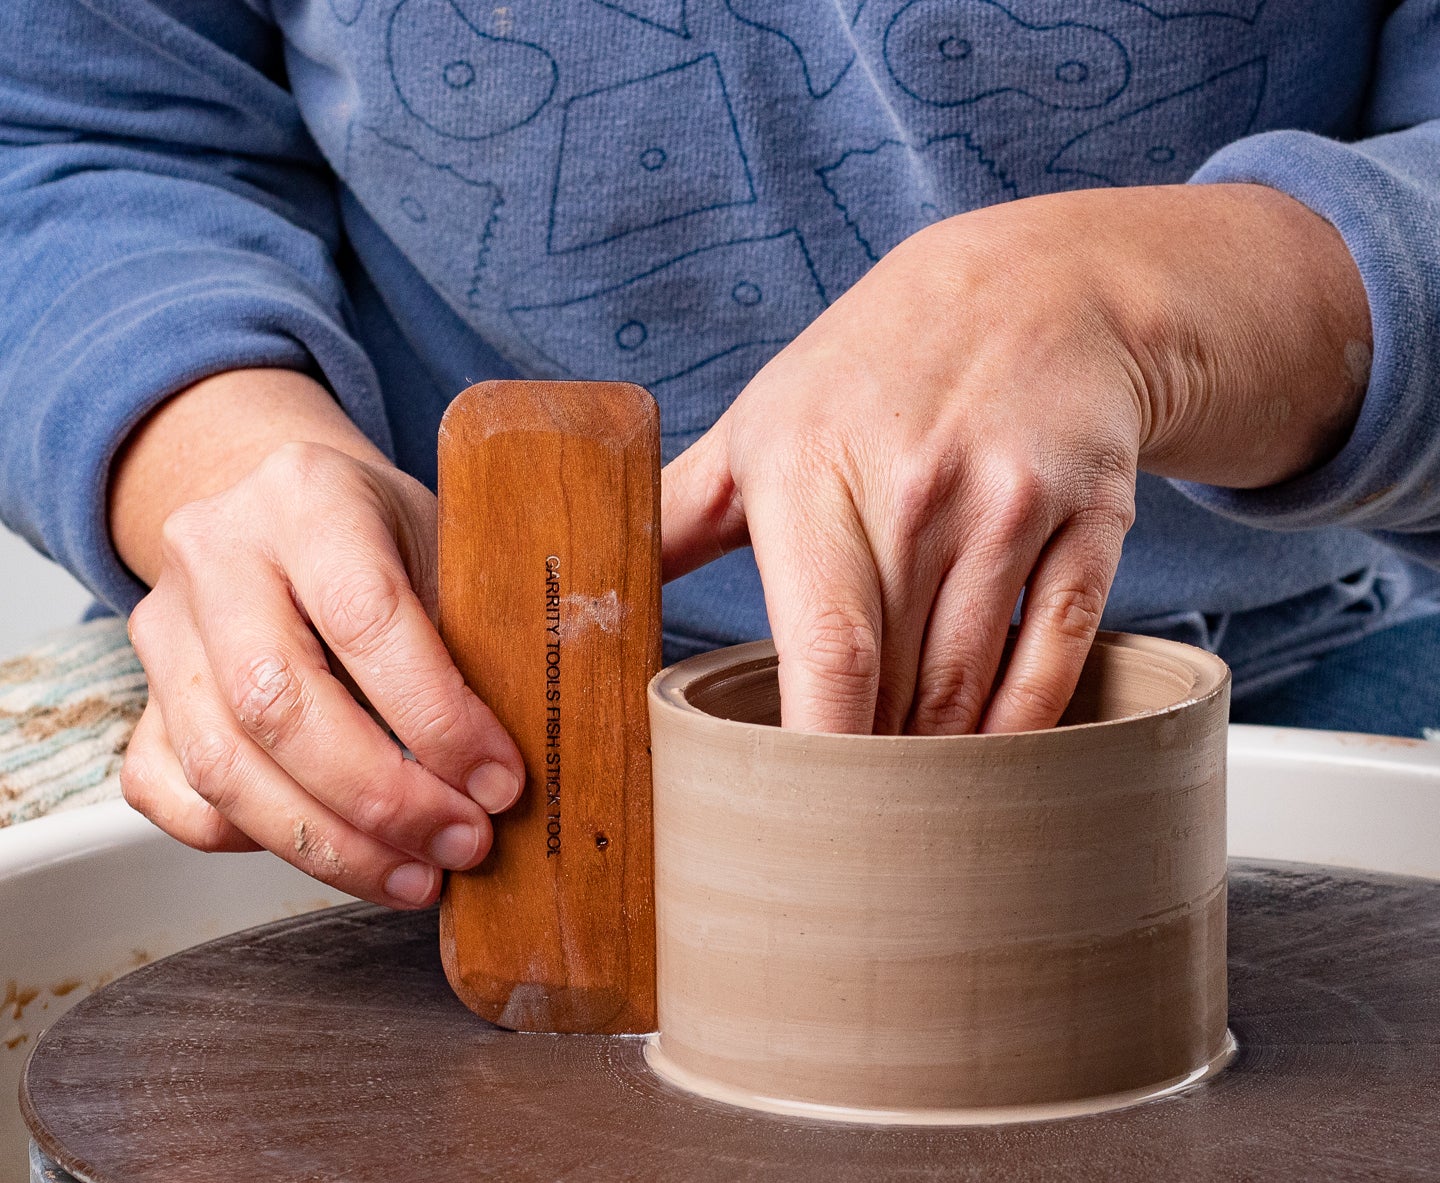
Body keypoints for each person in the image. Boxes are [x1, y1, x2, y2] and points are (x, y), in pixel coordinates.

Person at [1, 2, 1437, 911]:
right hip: (435, 681)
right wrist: (213, 443)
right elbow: (74, 135)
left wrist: (1150, 310)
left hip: (1292, 629)